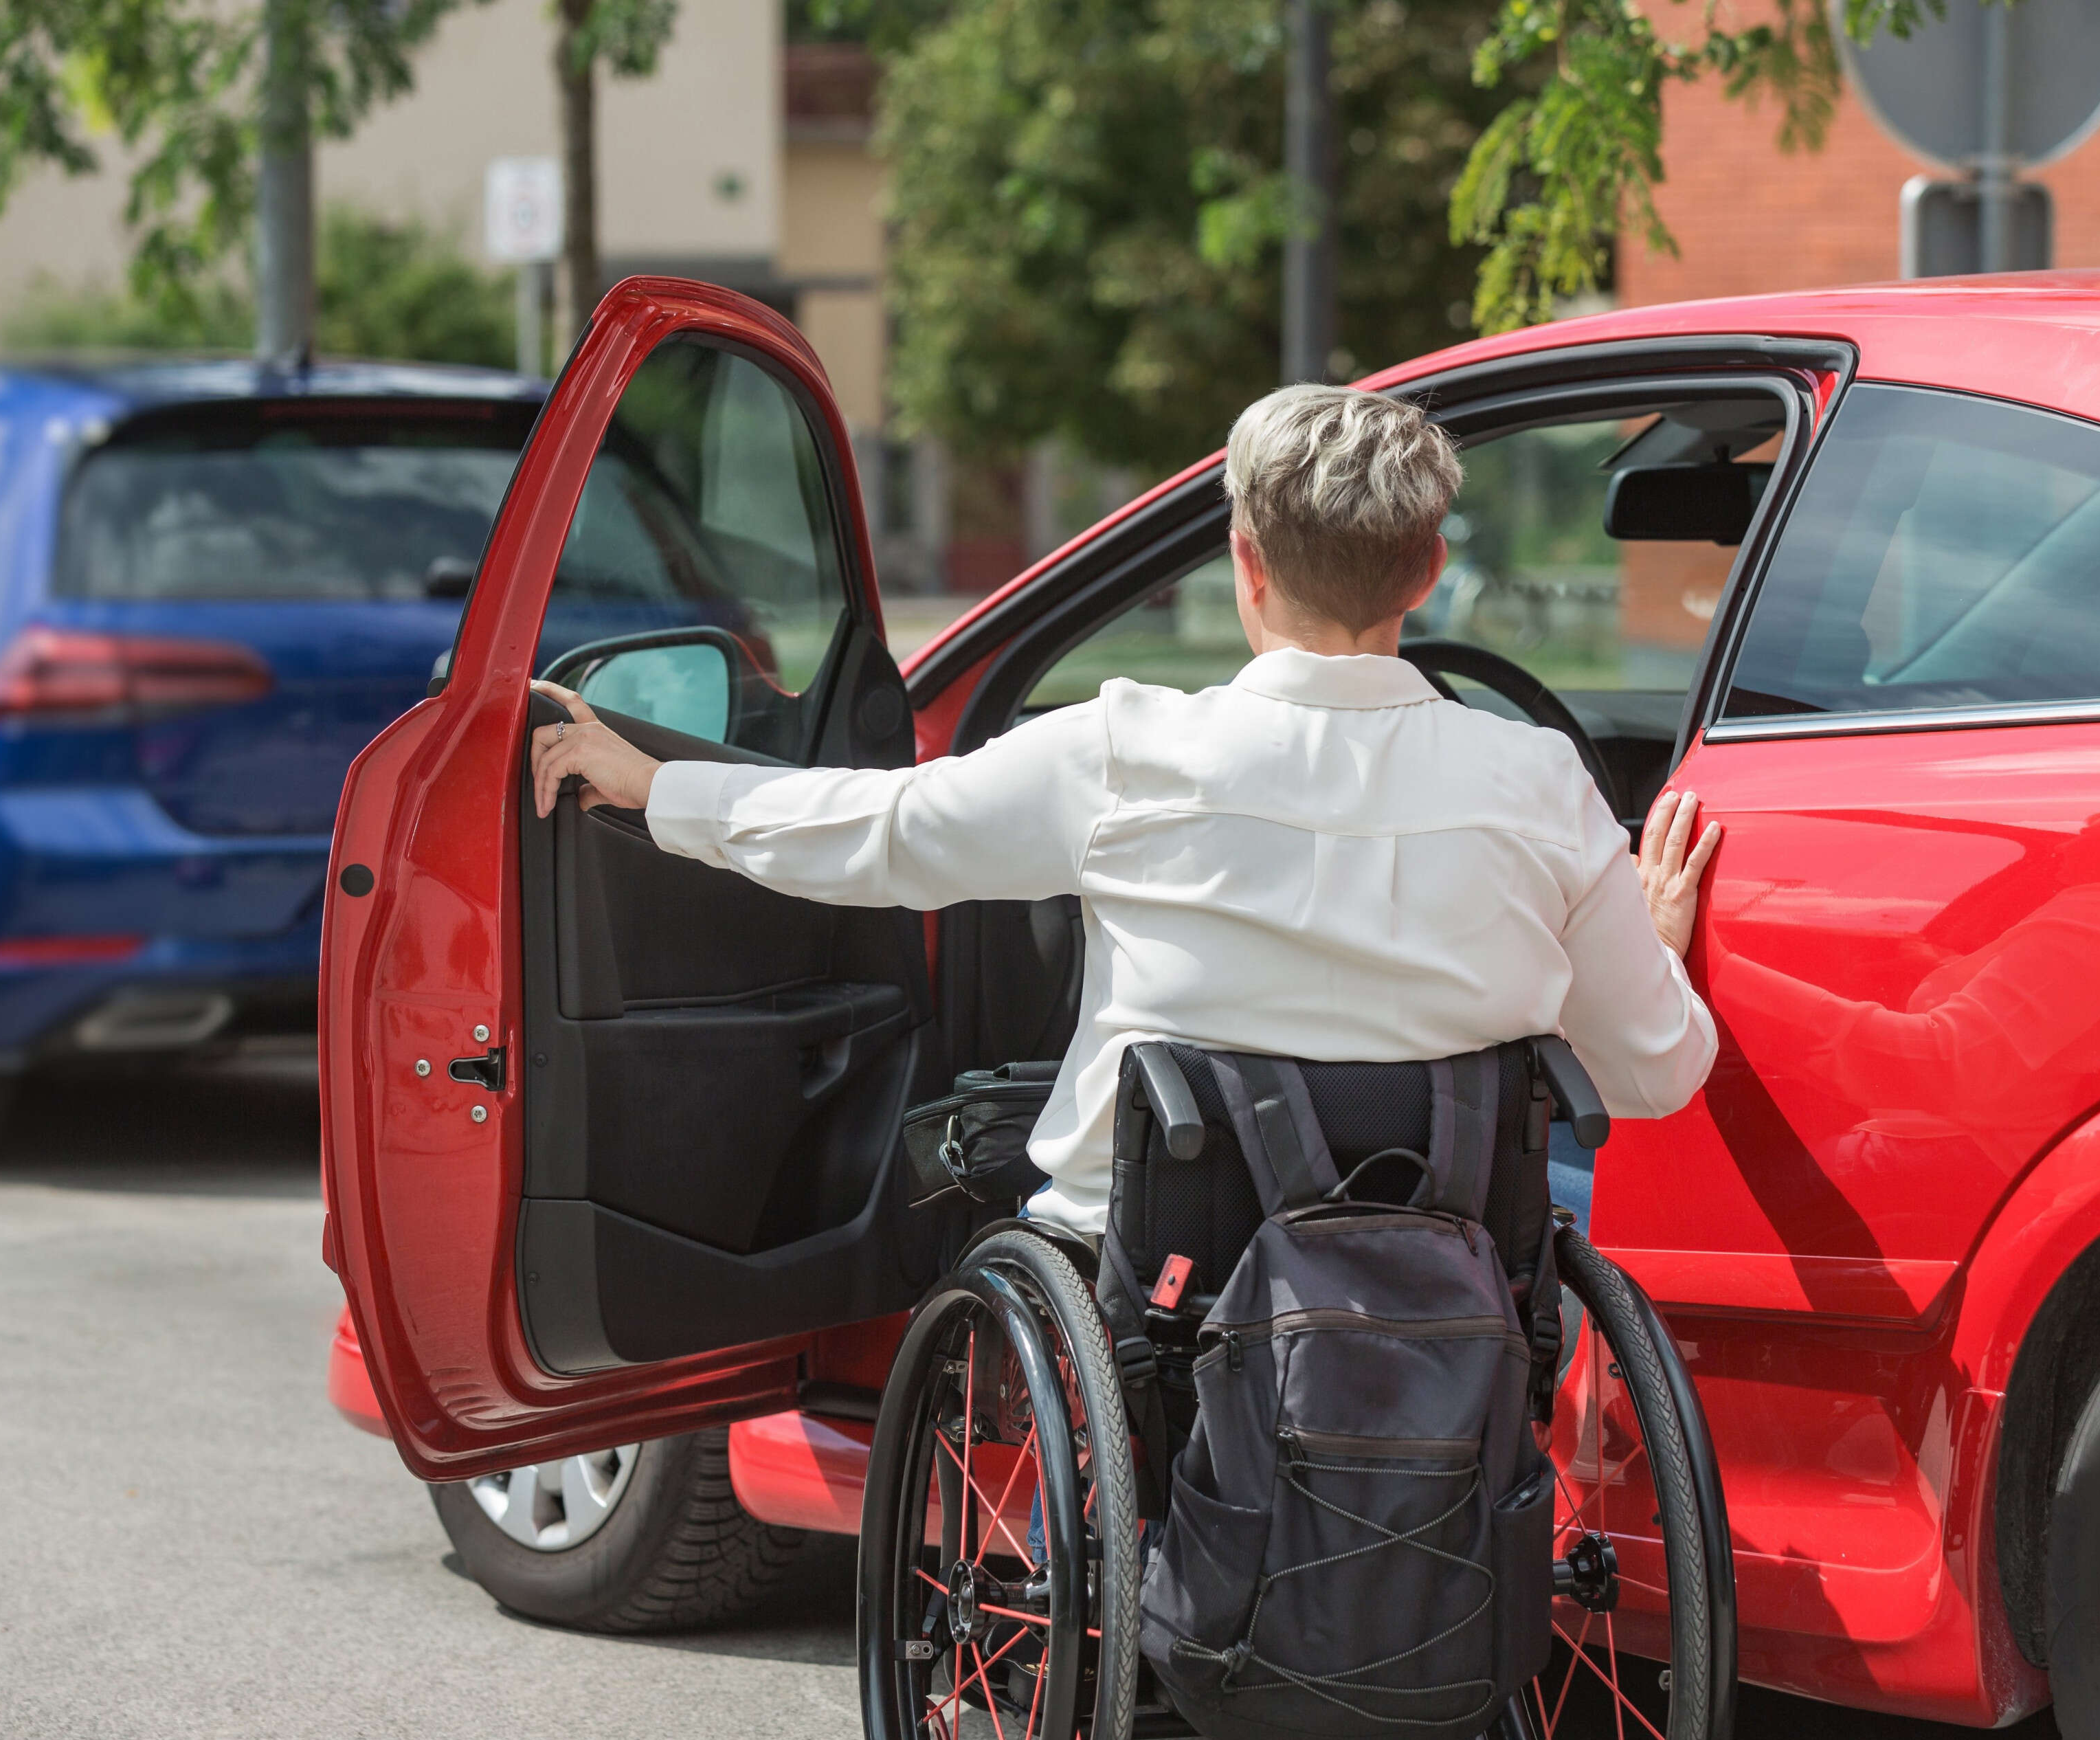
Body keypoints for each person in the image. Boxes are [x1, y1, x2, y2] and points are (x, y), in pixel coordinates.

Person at [526, 383, 1723, 1243]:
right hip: (1440, 1280)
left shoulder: (1126, 751)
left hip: (1162, 1267)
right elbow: (1658, 1075)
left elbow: (878, 833)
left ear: (1245, 563)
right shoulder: (1542, 784)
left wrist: (654, 785)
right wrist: (1655, 944)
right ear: (1424, 572)